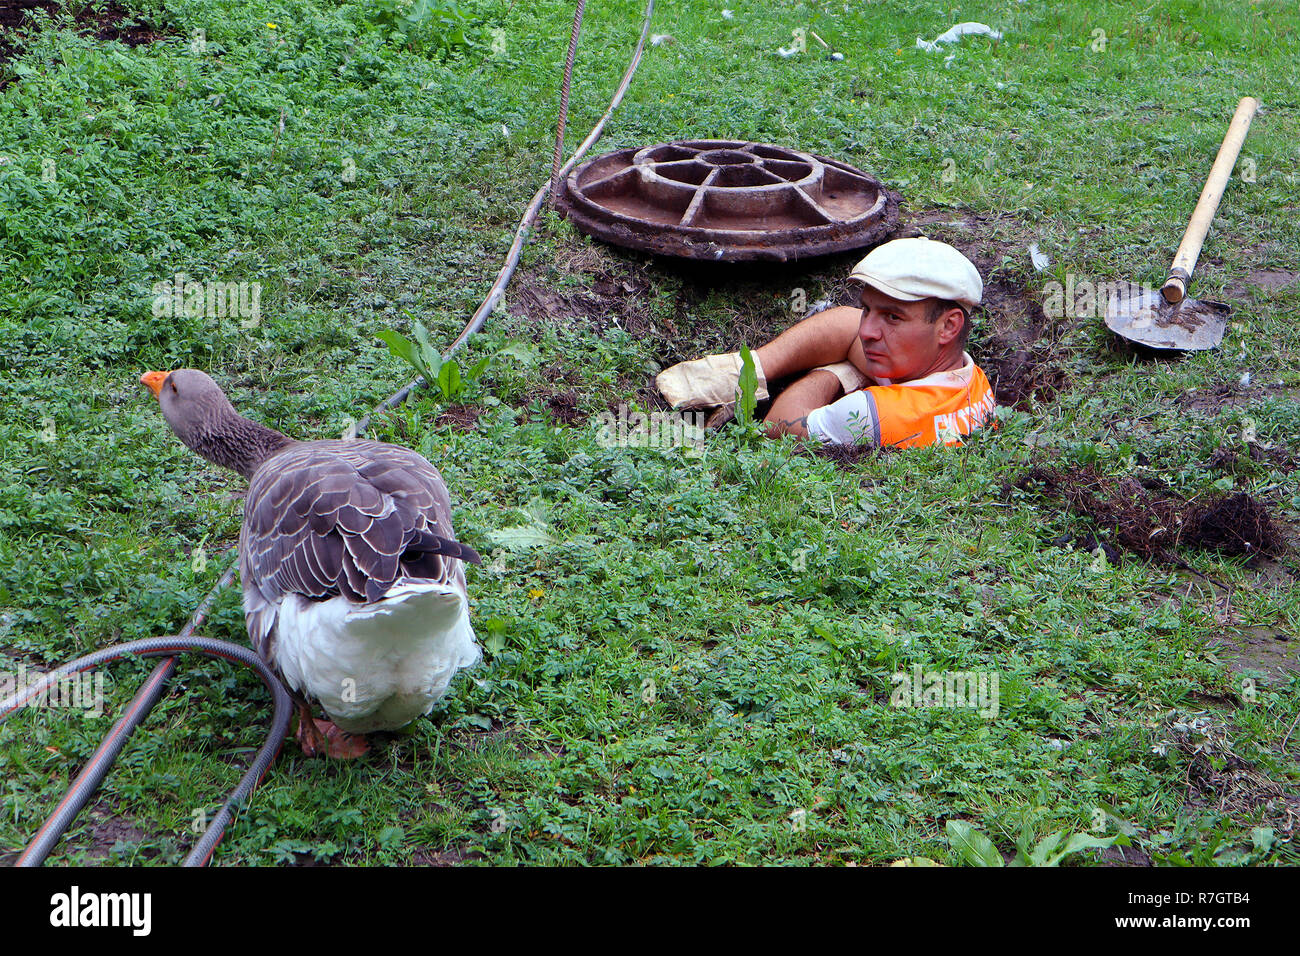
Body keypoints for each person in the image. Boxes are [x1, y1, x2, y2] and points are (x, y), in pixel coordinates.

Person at [655, 237, 996, 447]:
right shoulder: (968, 378)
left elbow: (779, 425)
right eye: (869, 310)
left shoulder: (872, 414)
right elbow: (846, 324)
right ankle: (745, 371)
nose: (868, 332)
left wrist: (836, 374)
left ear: (949, 326)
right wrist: (755, 366)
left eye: (893, 317)